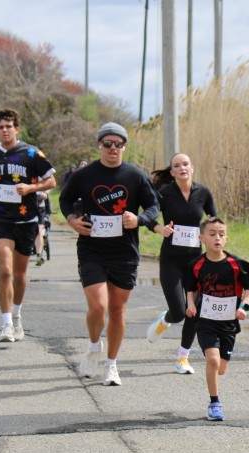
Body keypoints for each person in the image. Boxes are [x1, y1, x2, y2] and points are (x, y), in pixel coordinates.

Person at [59, 122, 162, 386]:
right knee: (98, 307)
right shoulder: (85, 175)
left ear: (124, 146)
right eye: (108, 143)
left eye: (118, 144)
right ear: (99, 145)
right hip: (91, 249)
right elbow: (64, 199)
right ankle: (94, 345)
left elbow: (153, 206)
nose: (113, 148)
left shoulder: (135, 176)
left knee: (117, 310)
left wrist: (138, 219)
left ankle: (111, 365)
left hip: (124, 252)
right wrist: (71, 220)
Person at [0, 108, 56, 343]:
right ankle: (6, 324)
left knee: (20, 274)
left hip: (26, 220)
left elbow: (51, 181)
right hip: (1, 219)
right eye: (0, 127)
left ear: (17, 129)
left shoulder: (31, 153)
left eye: (8, 127)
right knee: (5, 270)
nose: (5, 131)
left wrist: (31, 188)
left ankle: (16, 314)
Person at [147, 153, 218, 375]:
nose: (182, 168)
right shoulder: (164, 193)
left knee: (193, 311)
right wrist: (160, 229)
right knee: (178, 312)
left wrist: (209, 234)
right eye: (177, 166)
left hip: (195, 260)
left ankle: (182, 358)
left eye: (185, 164)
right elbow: (149, 218)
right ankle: (165, 320)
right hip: (171, 259)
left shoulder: (203, 192)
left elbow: (214, 220)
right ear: (172, 172)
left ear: (192, 168)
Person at [184, 217, 249, 420]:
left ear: (226, 239)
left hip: (228, 323)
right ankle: (214, 404)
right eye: (212, 234)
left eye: (221, 234)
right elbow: (190, 288)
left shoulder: (236, 265)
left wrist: (244, 307)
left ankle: (213, 376)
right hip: (205, 320)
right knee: (213, 360)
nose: (217, 238)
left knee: (221, 368)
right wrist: (190, 304)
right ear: (201, 238)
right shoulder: (196, 265)